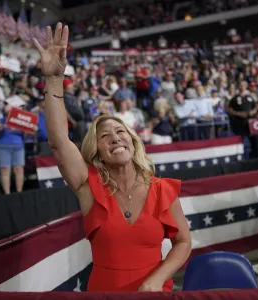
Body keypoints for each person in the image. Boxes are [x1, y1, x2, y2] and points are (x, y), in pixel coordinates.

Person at [32, 23, 191, 292]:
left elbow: (184, 242)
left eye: (120, 132)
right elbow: (59, 143)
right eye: (105, 136)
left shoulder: (163, 189)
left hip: (154, 293)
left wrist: (156, 279)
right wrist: (53, 80)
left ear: (132, 141)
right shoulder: (88, 185)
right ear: (96, 152)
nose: (115, 138)